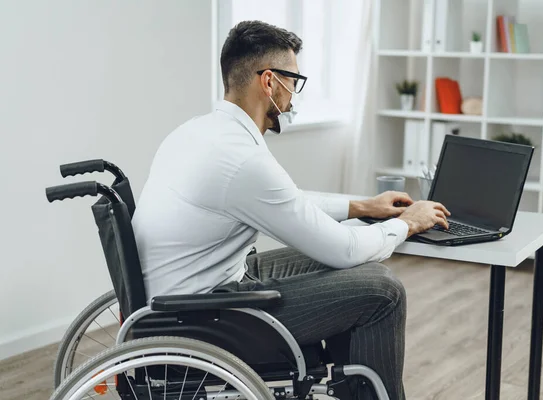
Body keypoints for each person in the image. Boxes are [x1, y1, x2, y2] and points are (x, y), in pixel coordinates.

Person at [132, 20, 450, 400]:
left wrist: (363, 206)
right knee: (383, 289)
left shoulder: (199, 132)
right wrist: (407, 224)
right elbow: (343, 248)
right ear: (269, 81)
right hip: (203, 319)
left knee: (349, 266)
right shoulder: (240, 159)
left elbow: (288, 201)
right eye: (293, 82)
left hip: (181, 301)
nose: (293, 97)